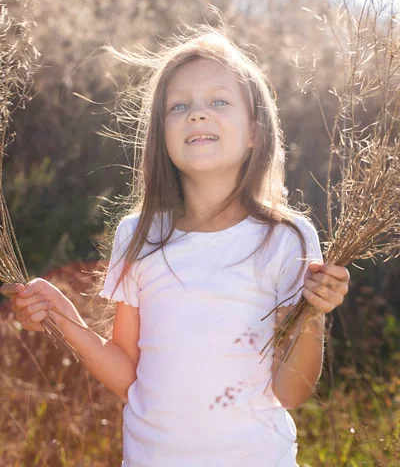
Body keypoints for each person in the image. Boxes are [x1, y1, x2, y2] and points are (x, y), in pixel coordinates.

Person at [1, 27, 350, 466]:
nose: (197, 115)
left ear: (254, 134)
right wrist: (64, 319)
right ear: (161, 137)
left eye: (218, 101)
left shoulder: (288, 238)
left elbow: (290, 391)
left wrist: (312, 316)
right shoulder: (137, 235)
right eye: (179, 106)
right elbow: (130, 375)